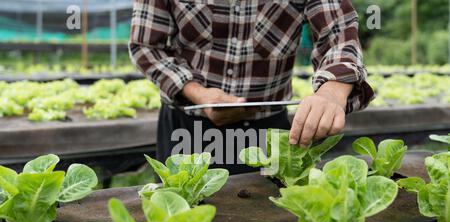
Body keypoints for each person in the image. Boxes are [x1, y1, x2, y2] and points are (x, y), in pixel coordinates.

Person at [129, 0, 374, 174]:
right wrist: (200, 94)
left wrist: (331, 92)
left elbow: (339, 32)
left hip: (267, 134)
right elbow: (147, 46)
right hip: (187, 129)